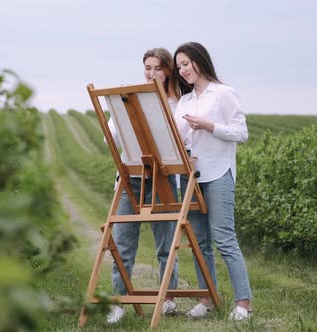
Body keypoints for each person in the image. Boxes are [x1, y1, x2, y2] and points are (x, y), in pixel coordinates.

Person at [173, 41, 253, 320]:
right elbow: (179, 138)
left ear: (199, 60)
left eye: (185, 63)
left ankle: (244, 304)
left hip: (219, 173)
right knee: (199, 243)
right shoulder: (184, 101)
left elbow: (241, 133)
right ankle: (207, 301)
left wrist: (209, 126)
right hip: (192, 179)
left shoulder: (223, 94)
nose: (182, 70)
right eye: (179, 66)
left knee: (224, 238)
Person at [105, 48, 181, 324]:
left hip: (162, 179)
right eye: (147, 68)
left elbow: (179, 144)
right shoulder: (130, 99)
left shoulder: (176, 104)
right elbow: (110, 139)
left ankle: (169, 298)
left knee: (165, 243)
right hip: (131, 178)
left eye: (157, 68)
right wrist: (121, 110)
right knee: (123, 243)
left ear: (168, 71)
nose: (151, 73)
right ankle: (118, 303)